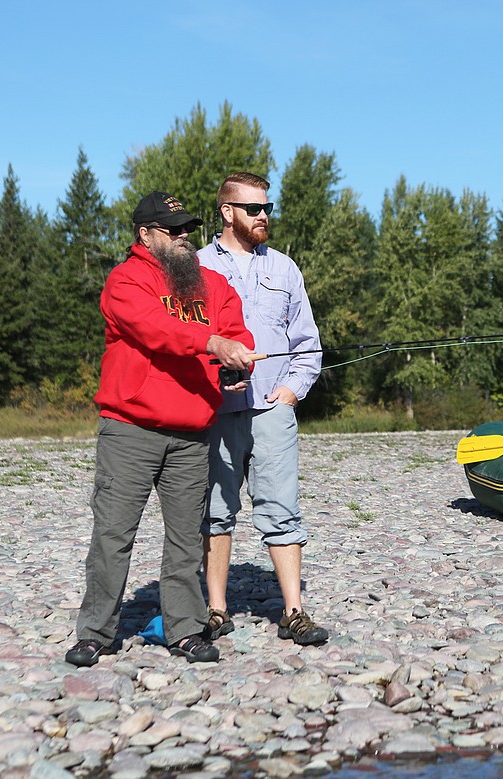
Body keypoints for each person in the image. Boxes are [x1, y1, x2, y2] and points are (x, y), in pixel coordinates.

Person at [65, 191, 255, 667]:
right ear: (144, 235)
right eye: (172, 230)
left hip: (192, 433)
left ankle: (186, 630)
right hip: (130, 429)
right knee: (113, 534)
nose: (183, 236)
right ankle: (95, 632)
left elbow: (236, 330)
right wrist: (211, 341)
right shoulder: (125, 281)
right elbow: (155, 330)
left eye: (187, 228)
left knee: (187, 537)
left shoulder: (214, 284)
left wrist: (237, 366)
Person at [197, 172, 329, 646]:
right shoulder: (193, 269)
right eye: (254, 209)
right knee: (214, 511)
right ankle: (215, 610)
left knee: (282, 510)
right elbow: (184, 342)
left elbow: (307, 344)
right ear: (227, 213)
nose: (264, 216)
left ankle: (293, 611)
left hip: (273, 410)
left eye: (267, 208)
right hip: (215, 412)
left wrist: (292, 391)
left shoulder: (285, 269)